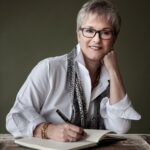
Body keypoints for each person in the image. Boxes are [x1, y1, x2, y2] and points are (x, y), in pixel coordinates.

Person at [6, 0, 141, 142]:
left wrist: (114, 71)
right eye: (89, 30)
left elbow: (120, 128)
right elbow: (15, 117)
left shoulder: (109, 78)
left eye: (105, 32)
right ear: (78, 34)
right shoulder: (49, 68)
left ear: (114, 39)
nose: (96, 39)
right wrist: (48, 130)